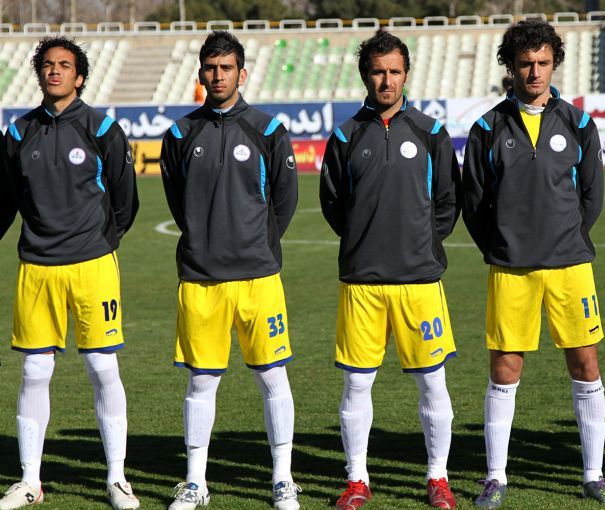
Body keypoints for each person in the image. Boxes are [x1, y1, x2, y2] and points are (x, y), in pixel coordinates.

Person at [462, 20, 605, 507]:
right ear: (510, 67)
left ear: (555, 64)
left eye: (543, 62)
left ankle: (594, 475)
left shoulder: (578, 124)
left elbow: (592, 197)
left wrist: (566, 238)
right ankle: (495, 476)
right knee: (505, 367)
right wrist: (504, 245)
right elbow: (474, 204)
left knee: (586, 362)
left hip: (570, 267)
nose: (534, 72)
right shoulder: (487, 128)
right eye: (525, 63)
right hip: (511, 269)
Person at [320, 30, 461, 510]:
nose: (387, 80)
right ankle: (357, 479)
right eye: (378, 72)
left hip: (419, 280)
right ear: (366, 75)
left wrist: (419, 244)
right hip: (362, 281)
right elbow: (334, 204)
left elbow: (448, 202)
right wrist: (366, 241)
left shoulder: (430, 132)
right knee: (357, 382)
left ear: (406, 74)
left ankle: (438, 477)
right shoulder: (345, 136)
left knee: (432, 381)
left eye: (394, 71)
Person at [160, 31, 300, 510]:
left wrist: (254, 244)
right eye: (210, 68)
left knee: (272, 377)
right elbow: (178, 202)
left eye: (226, 68)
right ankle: (195, 482)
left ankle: (282, 478)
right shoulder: (181, 134)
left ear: (243, 73)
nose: (217, 76)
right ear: (200, 73)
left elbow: (284, 202)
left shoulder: (268, 130)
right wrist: (205, 240)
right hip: (201, 279)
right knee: (201, 381)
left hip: (259, 279)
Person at [0, 37, 140, 510]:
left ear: (80, 77)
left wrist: (97, 242)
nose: (54, 71)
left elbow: (125, 201)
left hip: (92, 265)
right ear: (38, 73)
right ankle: (30, 482)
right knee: (34, 371)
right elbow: (7, 199)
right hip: (37, 267)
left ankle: (117, 479)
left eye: (64, 65)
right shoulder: (18, 132)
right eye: (47, 64)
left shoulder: (102, 128)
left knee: (102, 366)